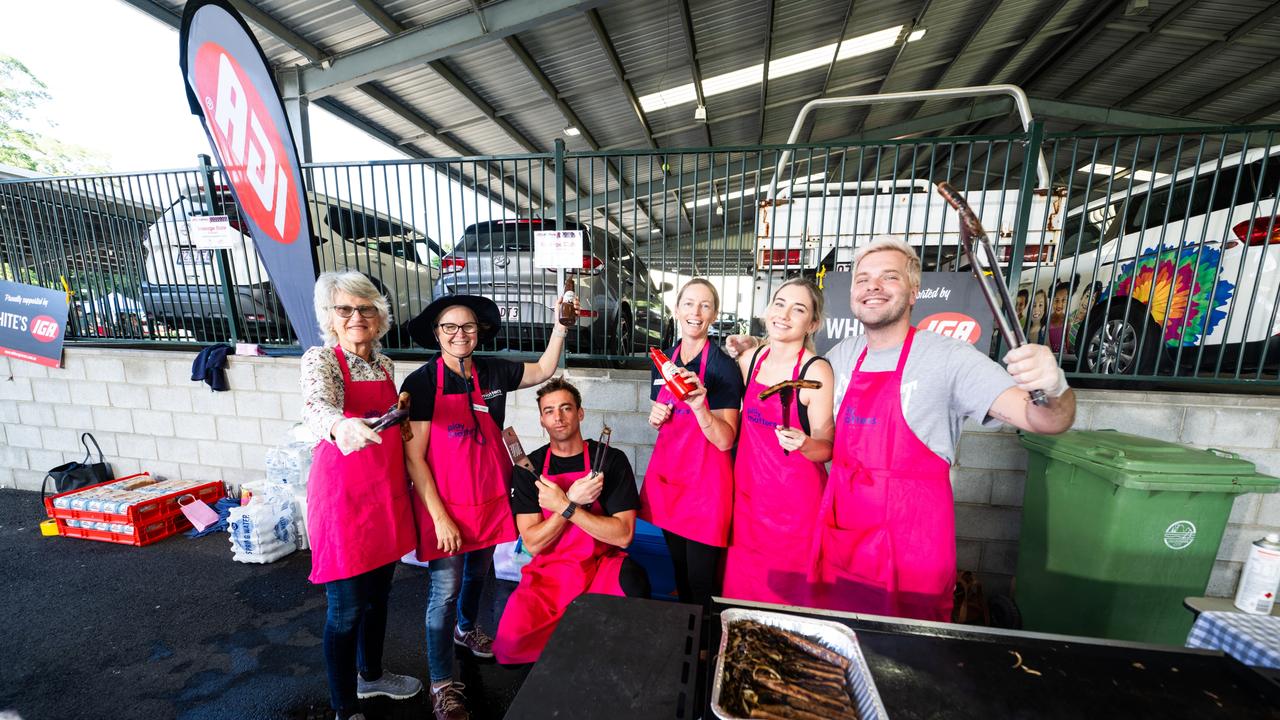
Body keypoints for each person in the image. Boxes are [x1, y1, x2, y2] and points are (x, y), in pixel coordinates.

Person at [806, 239, 1074, 620]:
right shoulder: (839, 357)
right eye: (863, 279)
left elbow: (1047, 421)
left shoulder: (950, 358)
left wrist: (1053, 388)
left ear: (915, 291)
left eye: (889, 277)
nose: (873, 286)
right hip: (844, 537)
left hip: (912, 547)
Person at [400, 294, 570, 720]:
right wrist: (439, 516)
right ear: (437, 334)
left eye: (469, 327)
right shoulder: (421, 383)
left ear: (480, 332)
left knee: (480, 570)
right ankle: (442, 683)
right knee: (444, 591)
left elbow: (546, 369)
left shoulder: (493, 370)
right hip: (446, 504)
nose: (461, 335)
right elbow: (414, 457)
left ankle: (465, 629)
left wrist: (561, 326)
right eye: (450, 328)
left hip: (489, 498)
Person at [300, 271, 422, 720]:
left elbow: (391, 421)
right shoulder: (321, 361)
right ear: (330, 317)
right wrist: (339, 425)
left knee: (378, 597)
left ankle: (371, 675)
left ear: (380, 316)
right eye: (345, 309)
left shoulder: (386, 365)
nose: (356, 316)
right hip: (343, 499)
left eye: (366, 308)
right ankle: (343, 706)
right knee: (346, 608)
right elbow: (317, 405)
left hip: (385, 494)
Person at [493, 377, 650, 664]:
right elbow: (533, 543)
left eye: (566, 408)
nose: (558, 417)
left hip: (600, 565)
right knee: (509, 644)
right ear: (541, 419)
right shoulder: (529, 469)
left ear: (580, 413)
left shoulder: (611, 461)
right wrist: (570, 504)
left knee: (635, 583)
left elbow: (624, 535)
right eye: (549, 411)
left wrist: (567, 506)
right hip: (549, 573)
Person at [722, 277, 834, 607]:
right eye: (779, 304)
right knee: (744, 593)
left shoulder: (816, 372)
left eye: (798, 309)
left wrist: (804, 443)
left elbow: (827, 444)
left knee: (789, 595)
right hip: (748, 499)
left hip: (795, 505)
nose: (784, 315)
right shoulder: (749, 360)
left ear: (812, 323)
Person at [641, 279, 743, 608]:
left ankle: (705, 649)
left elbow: (726, 439)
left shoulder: (722, 367)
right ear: (676, 309)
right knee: (680, 575)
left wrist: (700, 405)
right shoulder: (663, 359)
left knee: (702, 583)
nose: (695, 312)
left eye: (704, 305)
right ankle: (689, 642)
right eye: (688, 304)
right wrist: (656, 416)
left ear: (713, 314)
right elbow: (664, 415)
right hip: (671, 480)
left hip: (705, 487)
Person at [1046, 281, 1072, 353]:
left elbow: (1067, 341)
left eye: (1063, 300)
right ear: (1051, 301)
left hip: (1063, 356)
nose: (1059, 305)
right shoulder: (1047, 320)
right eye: (1056, 300)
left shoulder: (1067, 319)